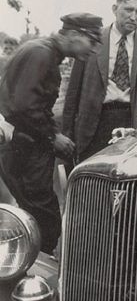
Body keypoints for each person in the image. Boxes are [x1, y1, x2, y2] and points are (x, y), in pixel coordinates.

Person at [0, 13, 102, 254]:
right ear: (75, 34)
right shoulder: (41, 53)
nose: (94, 49)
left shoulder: (44, 52)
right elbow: (24, 106)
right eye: (92, 41)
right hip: (24, 150)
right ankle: (33, 280)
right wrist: (52, 137)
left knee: (38, 218)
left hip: (25, 148)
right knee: (42, 222)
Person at [63, 0, 137, 162]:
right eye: (128, 10)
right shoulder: (92, 40)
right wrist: (67, 135)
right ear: (114, 9)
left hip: (132, 122)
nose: (134, 17)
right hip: (95, 125)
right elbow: (73, 92)